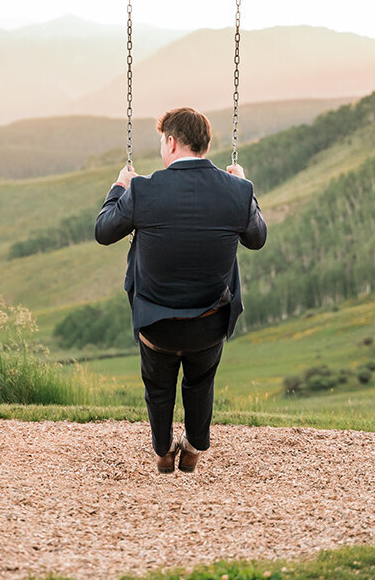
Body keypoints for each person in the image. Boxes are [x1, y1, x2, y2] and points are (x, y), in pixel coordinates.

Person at [95, 107, 267, 474]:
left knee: (158, 387)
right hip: (209, 322)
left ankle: (162, 450)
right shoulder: (236, 191)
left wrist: (119, 187)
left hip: (156, 322)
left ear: (171, 142)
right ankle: (194, 444)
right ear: (204, 145)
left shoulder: (143, 189)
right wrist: (244, 190)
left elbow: (104, 231)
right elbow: (257, 238)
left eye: (162, 142)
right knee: (200, 382)